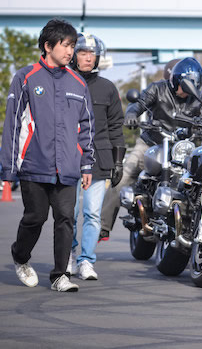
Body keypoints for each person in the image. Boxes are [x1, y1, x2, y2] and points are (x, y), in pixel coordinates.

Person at [1, 18, 95, 292]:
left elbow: (86, 127)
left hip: (67, 166)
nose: (70, 52)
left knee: (66, 219)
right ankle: (20, 256)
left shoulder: (78, 83)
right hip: (34, 164)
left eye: (73, 46)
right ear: (47, 46)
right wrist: (8, 166)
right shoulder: (26, 78)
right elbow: (13, 123)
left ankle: (59, 276)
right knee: (35, 217)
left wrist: (87, 164)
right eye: (66, 45)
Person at [99, 57, 202, 239]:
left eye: (193, 88)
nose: (187, 92)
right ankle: (103, 226)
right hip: (151, 142)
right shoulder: (157, 88)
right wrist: (132, 114)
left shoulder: (199, 99)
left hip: (180, 149)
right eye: (185, 87)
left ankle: (194, 232)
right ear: (176, 81)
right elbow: (138, 104)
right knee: (124, 175)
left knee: (197, 182)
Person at [67, 33, 125, 281]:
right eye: (82, 52)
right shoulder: (64, 83)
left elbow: (116, 126)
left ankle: (86, 261)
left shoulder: (108, 88)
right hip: (69, 160)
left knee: (92, 213)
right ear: (74, 56)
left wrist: (118, 159)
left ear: (98, 57)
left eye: (91, 54)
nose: (87, 58)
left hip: (99, 161)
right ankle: (67, 256)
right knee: (68, 214)